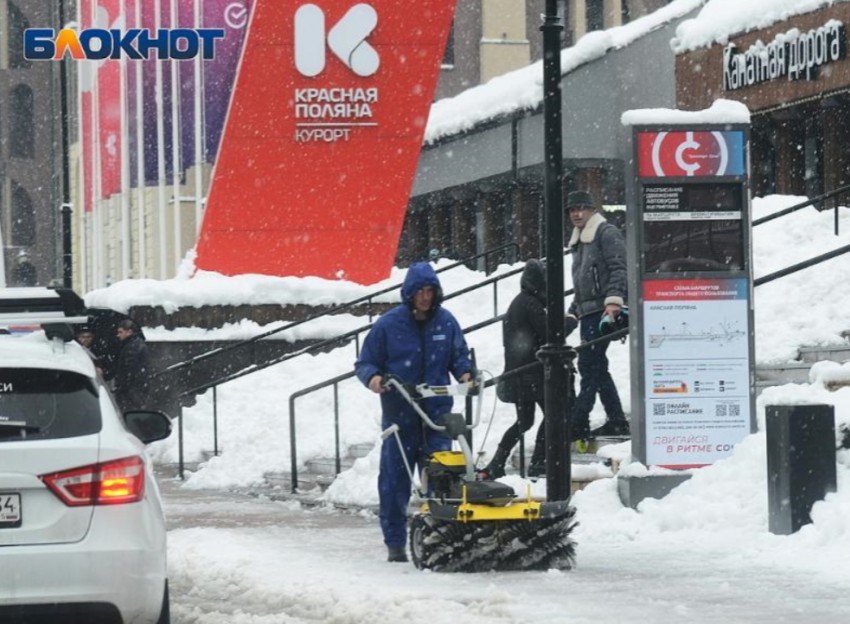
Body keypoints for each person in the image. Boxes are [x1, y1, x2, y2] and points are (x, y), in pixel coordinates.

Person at [355, 262, 474, 563]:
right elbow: (365, 363)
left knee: (443, 476)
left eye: (430, 291)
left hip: (437, 415)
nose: (425, 297)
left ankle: (440, 534)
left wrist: (465, 374)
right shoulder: (388, 325)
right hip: (401, 413)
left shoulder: (445, 323)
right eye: (420, 291)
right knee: (396, 478)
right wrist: (375, 379)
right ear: (410, 293)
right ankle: (395, 542)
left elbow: (459, 355)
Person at [565, 190, 629, 440]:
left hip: (602, 311)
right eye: (572, 209)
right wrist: (574, 309)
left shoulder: (605, 232)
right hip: (589, 311)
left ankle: (577, 422)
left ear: (592, 210)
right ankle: (616, 420)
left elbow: (618, 268)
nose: (576, 213)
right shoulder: (580, 239)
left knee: (589, 365)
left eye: (581, 208)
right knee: (597, 366)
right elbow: (584, 282)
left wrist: (613, 301)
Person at [481, 259, 550, 479]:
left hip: (519, 374)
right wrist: (571, 319)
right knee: (555, 416)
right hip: (532, 375)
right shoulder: (532, 304)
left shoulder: (519, 302)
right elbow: (551, 334)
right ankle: (539, 461)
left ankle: (497, 462)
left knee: (525, 421)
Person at [113, 319, 151, 413]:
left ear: (129, 332)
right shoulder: (134, 344)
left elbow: (128, 370)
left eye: (121, 332)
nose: (118, 335)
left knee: (130, 413)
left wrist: (122, 387)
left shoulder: (132, 347)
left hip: (131, 391)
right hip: (134, 389)